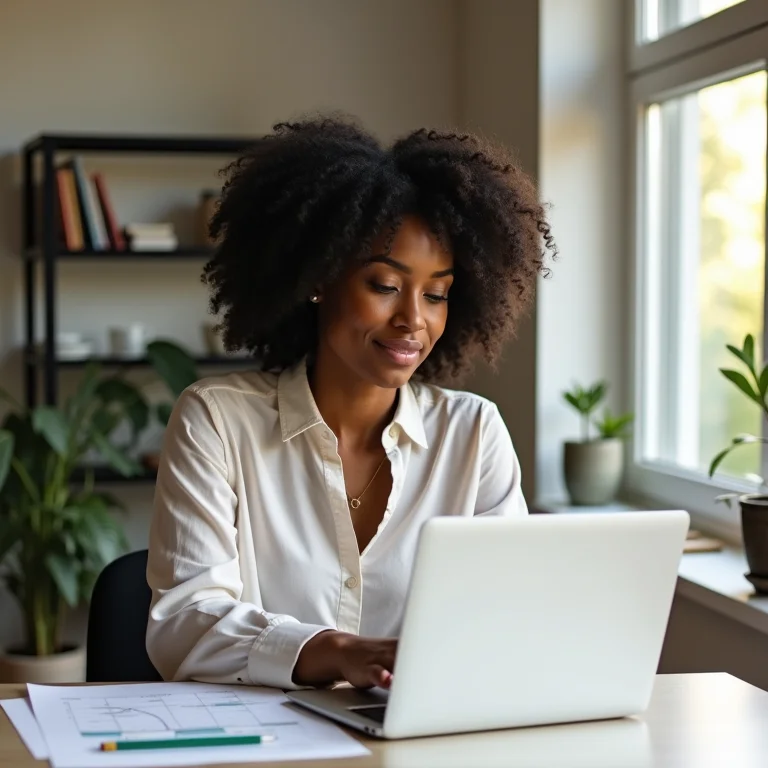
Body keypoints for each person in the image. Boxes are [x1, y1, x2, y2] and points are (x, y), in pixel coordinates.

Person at [146, 115, 556, 691]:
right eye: (385, 286)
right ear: (319, 279)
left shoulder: (473, 433)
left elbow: (508, 613)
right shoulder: (217, 420)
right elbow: (184, 626)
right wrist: (336, 652)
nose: (414, 319)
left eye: (436, 293)